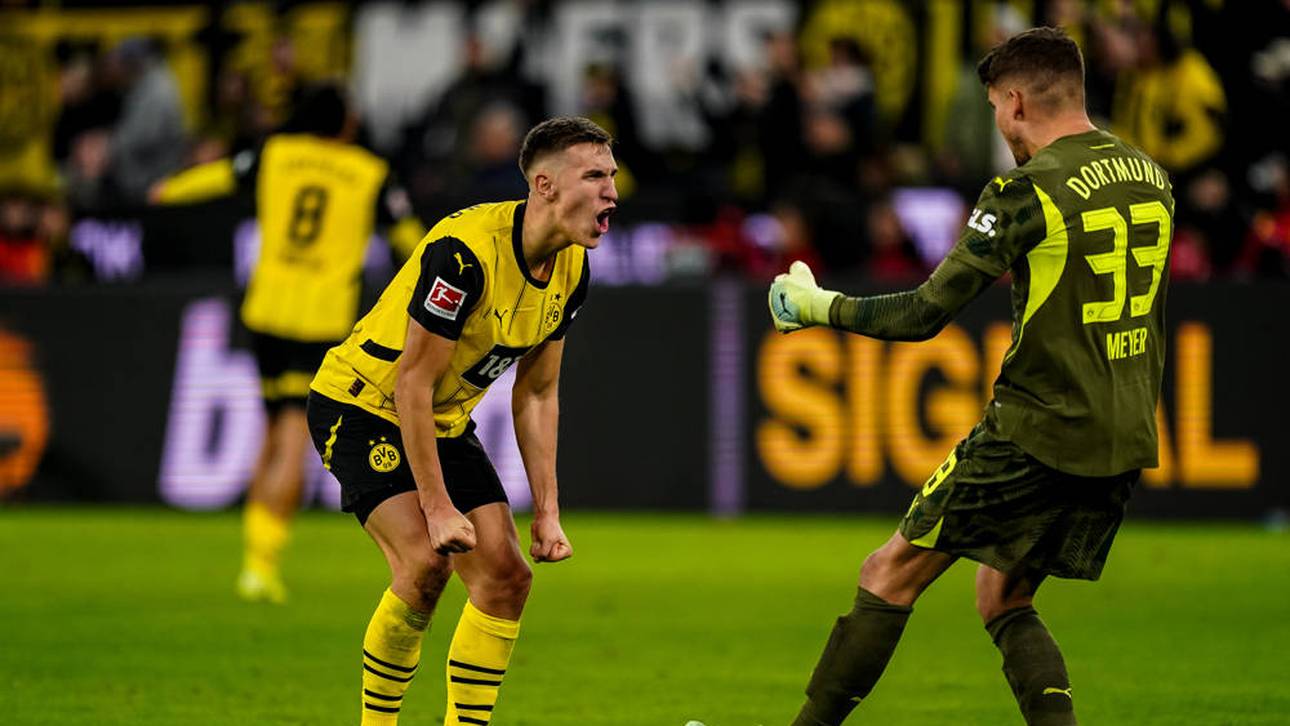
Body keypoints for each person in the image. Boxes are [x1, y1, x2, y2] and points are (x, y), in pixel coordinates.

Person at [769, 27, 1173, 726]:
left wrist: (819, 306)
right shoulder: (1151, 176)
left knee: (887, 574)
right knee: (1004, 596)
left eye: (994, 109)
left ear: (1014, 103)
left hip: (1035, 429)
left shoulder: (1027, 190)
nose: (999, 124)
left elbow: (925, 311)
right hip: (1124, 433)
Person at [305, 116, 614, 724]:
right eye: (595, 175)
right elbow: (411, 382)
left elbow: (538, 394)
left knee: (505, 578)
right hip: (364, 403)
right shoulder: (465, 253)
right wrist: (438, 504)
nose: (612, 191)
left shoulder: (572, 271)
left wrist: (547, 511)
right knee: (425, 563)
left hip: (439, 419)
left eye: (612, 176)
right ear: (545, 185)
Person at [152, 83, 425, 604]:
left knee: (274, 432)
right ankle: (262, 565)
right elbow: (410, 241)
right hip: (318, 322)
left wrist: (168, 190)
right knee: (298, 439)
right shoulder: (370, 172)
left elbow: (221, 175)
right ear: (346, 124)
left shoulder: (277, 155)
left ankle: (255, 558)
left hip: (265, 312)